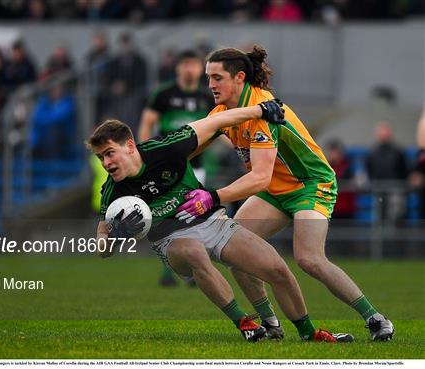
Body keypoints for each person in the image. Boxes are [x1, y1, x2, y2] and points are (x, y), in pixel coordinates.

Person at [176, 46, 394, 341]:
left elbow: (260, 177)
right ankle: (270, 324)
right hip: (274, 191)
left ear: (239, 77)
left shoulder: (265, 109)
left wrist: (213, 197)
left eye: (217, 77)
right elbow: (185, 150)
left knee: (309, 258)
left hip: (310, 185)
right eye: (208, 78)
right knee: (236, 252)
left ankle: (376, 319)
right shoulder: (223, 113)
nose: (210, 85)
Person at [88, 100, 353, 343]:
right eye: (101, 157)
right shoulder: (113, 191)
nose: (106, 163)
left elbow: (215, 121)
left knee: (278, 270)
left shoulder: (166, 148)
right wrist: (112, 239)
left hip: (213, 223)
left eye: (110, 153)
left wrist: (260, 111)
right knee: (193, 251)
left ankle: (308, 333)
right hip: (171, 240)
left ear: (130, 146)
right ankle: (245, 323)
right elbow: (102, 245)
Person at [138, 49, 214, 287]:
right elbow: (147, 124)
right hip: (166, 166)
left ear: (200, 68)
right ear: (178, 67)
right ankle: (170, 271)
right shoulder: (164, 94)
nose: (190, 69)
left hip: (196, 165)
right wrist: (145, 155)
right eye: (186, 64)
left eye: (194, 64)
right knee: (167, 216)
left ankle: (192, 268)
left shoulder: (207, 96)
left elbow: (218, 127)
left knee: (194, 217)